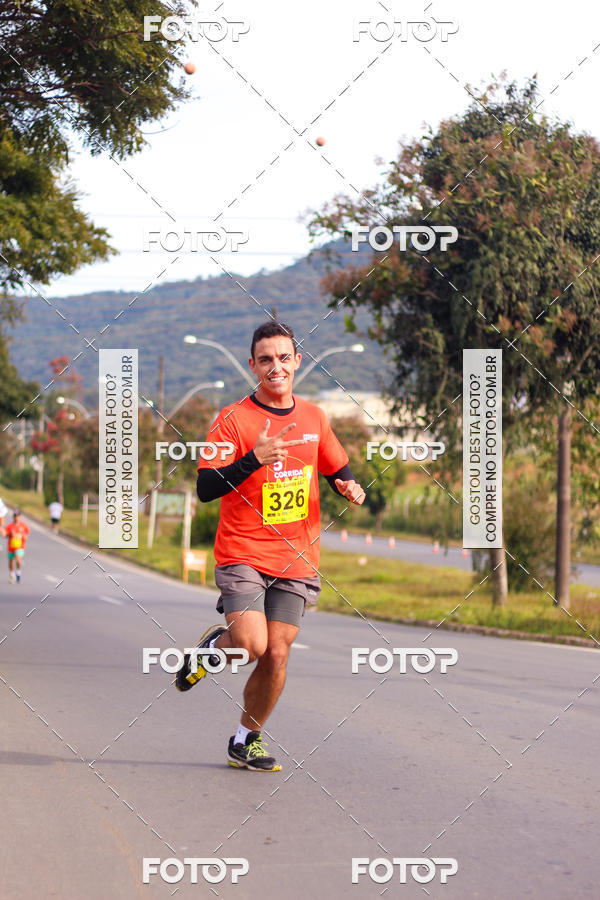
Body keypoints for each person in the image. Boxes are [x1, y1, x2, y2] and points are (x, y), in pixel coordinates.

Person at [176, 321, 365, 771]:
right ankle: (213, 648)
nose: (275, 366)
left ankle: (246, 739)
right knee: (250, 645)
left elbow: (337, 465)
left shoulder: (315, 417)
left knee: (278, 653)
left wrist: (348, 485)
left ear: (297, 361)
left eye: (284, 357)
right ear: (253, 366)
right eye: (266, 359)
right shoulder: (233, 419)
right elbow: (205, 486)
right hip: (243, 552)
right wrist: (252, 460)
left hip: (297, 558)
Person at [6, 509, 30, 584]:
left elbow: (27, 534)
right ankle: (12, 574)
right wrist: (10, 534)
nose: (16, 517)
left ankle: (18, 573)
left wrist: (23, 536)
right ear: (13, 517)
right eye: (15, 516)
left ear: (20, 517)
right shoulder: (9, 526)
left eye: (18, 516)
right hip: (11, 546)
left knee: (18, 558)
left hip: (20, 547)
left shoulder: (23, 525)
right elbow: (5, 535)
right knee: (11, 561)